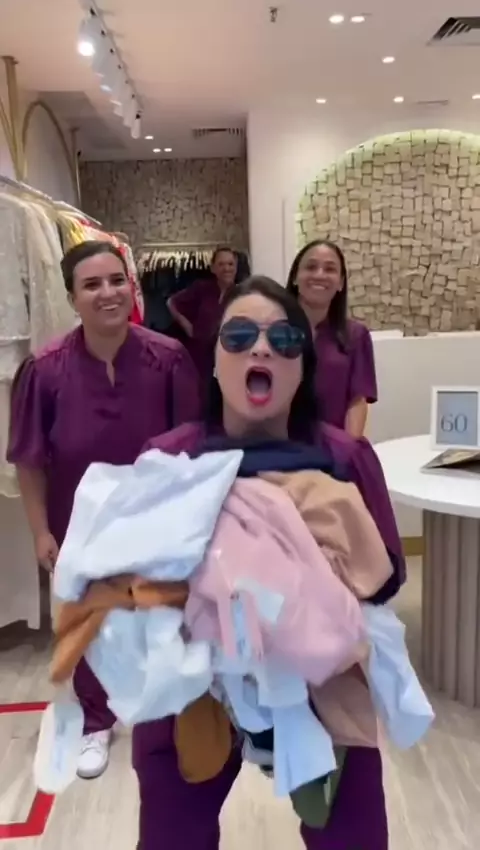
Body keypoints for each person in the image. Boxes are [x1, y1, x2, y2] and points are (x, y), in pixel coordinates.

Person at [133, 276, 405, 850]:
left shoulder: (345, 459)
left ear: (302, 367)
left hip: (325, 682)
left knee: (353, 836)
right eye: (239, 336)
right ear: (213, 360)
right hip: (193, 686)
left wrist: (310, 595)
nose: (261, 349)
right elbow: (131, 584)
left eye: (283, 339)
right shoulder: (169, 461)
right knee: (173, 834)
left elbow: (385, 577)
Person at [7, 240, 200, 781]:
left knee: (162, 619)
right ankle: (96, 721)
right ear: (72, 297)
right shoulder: (45, 371)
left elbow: (193, 448)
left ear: (131, 287)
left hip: (156, 523)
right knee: (93, 623)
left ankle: (167, 716)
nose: (107, 293)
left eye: (117, 280)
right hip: (81, 525)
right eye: (91, 285)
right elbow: (29, 459)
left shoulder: (169, 358)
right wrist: (40, 531)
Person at [286, 240, 377, 437]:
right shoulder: (273, 331)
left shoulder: (356, 335)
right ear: (295, 277)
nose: (320, 275)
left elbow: (357, 402)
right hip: (280, 446)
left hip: (333, 448)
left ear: (341, 282)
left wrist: (348, 450)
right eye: (311, 267)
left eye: (330, 269)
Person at [167, 246, 238, 388]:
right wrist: (187, 326)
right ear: (213, 268)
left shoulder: (241, 294)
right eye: (221, 264)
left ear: (236, 267)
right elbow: (171, 302)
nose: (226, 268)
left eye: (230, 264)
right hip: (199, 358)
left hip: (227, 358)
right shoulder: (202, 288)